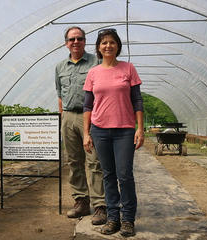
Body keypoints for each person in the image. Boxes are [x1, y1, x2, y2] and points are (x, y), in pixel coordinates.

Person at [82, 28, 144, 237]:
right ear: (98, 48)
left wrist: (140, 129)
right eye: (104, 43)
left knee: (125, 175)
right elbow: (87, 106)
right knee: (108, 175)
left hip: (124, 130)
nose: (108, 46)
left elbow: (137, 100)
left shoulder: (128, 68)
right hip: (99, 130)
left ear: (118, 46)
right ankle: (113, 218)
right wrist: (86, 133)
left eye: (112, 42)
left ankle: (127, 219)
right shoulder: (93, 72)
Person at [55, 26, 106, 225]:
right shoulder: (60, 67)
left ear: (85, 41)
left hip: (91, 117)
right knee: (74, 161)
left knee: (95, 162)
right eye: (71, 39)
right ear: (66, 43)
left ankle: (100, 205)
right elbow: (60, 95)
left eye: (79, 39)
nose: (75, 42)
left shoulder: (96, 62)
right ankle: (81, 202)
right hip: (68, 116)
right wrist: (63, 118)